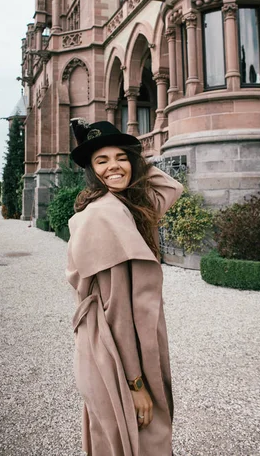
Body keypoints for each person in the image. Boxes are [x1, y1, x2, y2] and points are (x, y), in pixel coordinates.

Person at [66, 119, 184, 456]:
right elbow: (116, 311)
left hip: (122, 345)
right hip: (116, 352)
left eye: (121, 157)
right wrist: (135, 384)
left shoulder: (127, 209)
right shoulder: (103, 217)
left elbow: (170, 188)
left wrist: (130, 164)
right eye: (101, 160)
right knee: (140, 440)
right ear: (90, 169)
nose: (114, 166)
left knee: (123, 441)